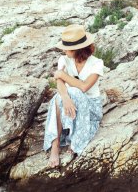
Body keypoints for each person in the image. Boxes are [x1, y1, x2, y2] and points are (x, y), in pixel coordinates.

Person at [43, 24, 104, 168]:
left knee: (75, 91)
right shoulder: (64, 60)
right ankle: (55, 145)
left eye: (66, 47)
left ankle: (75, 143)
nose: (63, 50)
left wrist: (63, 75)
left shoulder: (97, 63)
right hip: (69, 102)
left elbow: (84, 87)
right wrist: (65, 98)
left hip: (91, 106)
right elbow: (60, 84)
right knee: (58, 98)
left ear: (77, 49)